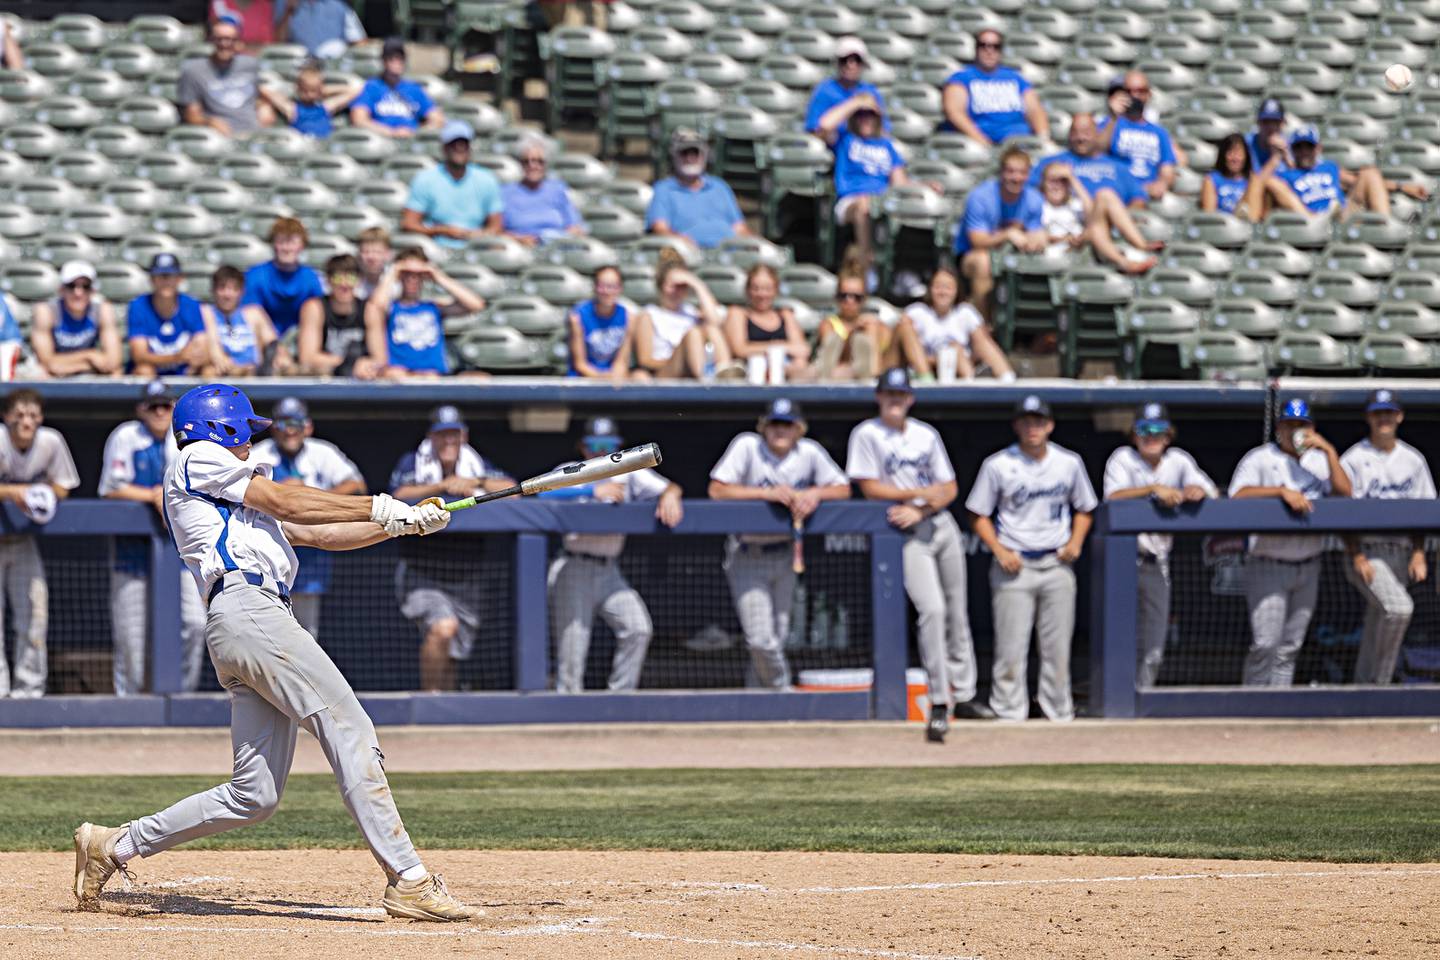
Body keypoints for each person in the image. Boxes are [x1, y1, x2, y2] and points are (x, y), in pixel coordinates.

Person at [72, 383, 481, 923]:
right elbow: (286, 498)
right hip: (248, 611)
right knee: (348, 726)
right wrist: (378, 503)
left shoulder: (236, 499)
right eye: (245, 430)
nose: (251, 441)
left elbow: (323, 532)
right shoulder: (198, 459)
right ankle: (408, 879)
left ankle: (114, 845)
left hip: (252, 620)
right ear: (223, 429)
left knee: (253, 795)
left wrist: (399, 524)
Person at [849, 369, 988, 742]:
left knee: (958, 612)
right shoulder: (867, 433)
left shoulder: (926, 433)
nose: (895, 399)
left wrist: (922, 505)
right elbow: (869, 486)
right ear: (879, 396)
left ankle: (966, 694)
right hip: (904, 531)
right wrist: (915, 498)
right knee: (933, 610)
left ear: (910, 398)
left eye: (901, 394)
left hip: (936, 523)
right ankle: (940, 701)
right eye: (889, 393)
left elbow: (949, 487)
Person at [966, 394, 1097, 722]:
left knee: (1057, 650)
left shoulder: (1069, 462)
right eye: (1026, 421)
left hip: (1056, 563)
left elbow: (1085, 508)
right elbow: (977, 513)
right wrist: (999, 550)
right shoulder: (998, 464)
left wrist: (1076, 542)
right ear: (1016, 426)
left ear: (1050, 425)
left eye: (1038, 421)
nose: (1032, 427)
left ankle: (1058, 713)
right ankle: (1009, 713)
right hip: (1015, 565)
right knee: (1011, 649)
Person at [711, 399, 851, 689]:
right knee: (761, 640)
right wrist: (766, 494)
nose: (780, 430)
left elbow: (843, 488)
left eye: (787, 424)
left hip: (786, 554)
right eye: (775, 424)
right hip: (748, 554)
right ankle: (782, 691)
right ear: (764, 426)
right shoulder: (747, 445)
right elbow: (718, 489)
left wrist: (815, 493)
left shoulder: (809, 451)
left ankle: (757, 705)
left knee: (776, 637)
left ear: (799, 429)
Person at [544, 418, 682, 693]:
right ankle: (567, 718)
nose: (601, 453)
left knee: (638, 628)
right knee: (572, 651)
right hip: (574, 567)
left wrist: (670, 495)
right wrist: (591, 490)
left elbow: (670, 487)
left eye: (608, 446)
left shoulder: (629, 472)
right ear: (584, 448)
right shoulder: (568, 470)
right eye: (595, 446)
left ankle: (619, 697)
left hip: (610, 571)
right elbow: (539, 496)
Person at [1229, 398, 1353, 687]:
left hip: (1309, 564)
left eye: (1302, 425)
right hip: (1269, 562)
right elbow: (1237, 495)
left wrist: (1330, 450)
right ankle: (1254, 706)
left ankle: (1277, 707)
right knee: (1265, 644)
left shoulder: (1320, 462)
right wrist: (1280, 491)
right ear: (1279, 429)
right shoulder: (1261, 458)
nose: (1295, 431)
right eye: (1290, 425)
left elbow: (1346, 494)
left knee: (1290, 647)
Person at [389, 405, 514, 692]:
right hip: (423, 571)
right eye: (442, 434)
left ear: (463, 436)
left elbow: (511, 487)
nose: (448, 441)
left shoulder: (476, 464)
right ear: (431, 437)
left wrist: (476, 482)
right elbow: (399, 494)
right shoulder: (414, 462)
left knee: (455, 651)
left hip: (466, 574)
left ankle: (443, 703)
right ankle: (431, 700)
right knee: (444, 628)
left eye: (453, 434)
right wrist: (442, 485)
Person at [98, 382, 207, 696]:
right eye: (153, 406)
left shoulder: (186, 440)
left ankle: (181, 696)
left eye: (165, 405)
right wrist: (151, 494)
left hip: (183, 555)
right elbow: (110, 488)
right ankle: (129, 704)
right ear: (141, 409)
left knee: (194, 625)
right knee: (131, 638)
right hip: (130, 554)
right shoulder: (126, 436)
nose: (160, 412)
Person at [1102, 402, 1218, 688]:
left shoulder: (1178, 460)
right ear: (1134, 434)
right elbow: (1112, 498)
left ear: (1168, 436)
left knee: (1154, 647)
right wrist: (1152, 490)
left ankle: (1143, 695)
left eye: (1158, 430)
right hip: (1124, 562)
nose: (1150, 436)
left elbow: (1211, 492)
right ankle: (1116, 702)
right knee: (1119, 639)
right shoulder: (1123, 458)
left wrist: (1196, 490)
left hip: (1157, 564)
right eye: (1144, 429)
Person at [251, 397, 366, 640]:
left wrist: (307, 495)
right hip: (267, 557)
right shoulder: (260, 454)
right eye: (283, 423)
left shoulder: (322, 452)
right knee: (267, 636)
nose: (290, 430)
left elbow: (357, 487)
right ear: (274, 427)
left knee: (305, 635)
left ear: (308, 426)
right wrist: (280, 493)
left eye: (296, 423)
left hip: (313, 556)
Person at [1340, 390, 1435, 686]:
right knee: (1398, 609)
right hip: (1368, 551)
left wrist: (1419, 552)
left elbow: (1425, 510)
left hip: (1401, 552)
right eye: (1378, 413)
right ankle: (1380, 684)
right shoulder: (1354, 458)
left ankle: (1362, 685)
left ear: (1399, 416)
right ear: (1369, 417)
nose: (1384, 418)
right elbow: (1342, 511)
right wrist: (1356, 555)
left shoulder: (1413, 459)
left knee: (1379, 618)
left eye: (1389, 413)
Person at [0, 389, 79, 699]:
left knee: (33, 615)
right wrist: (17, 492)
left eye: (32, 415)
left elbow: (64, 486)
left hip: (23, 541)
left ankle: (29, 690)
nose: (26, 421)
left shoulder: (50, 441)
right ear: (6, 417)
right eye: (18, 414)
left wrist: (40, 494)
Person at [1246, 98, 1425, 219]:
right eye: (1298, 147)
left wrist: (1402, 187)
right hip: (1307, 220)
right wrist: (1277, 158)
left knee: (1369, 172)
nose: (1303, 152)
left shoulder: (1328, 167)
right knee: (1272, 184)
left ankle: (1385, 227)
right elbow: (1258, 185)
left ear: (1318, 149)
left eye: (1308, 147)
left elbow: (1355, 180)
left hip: (1341, 215)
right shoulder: (1285, 174)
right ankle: (1314, 221)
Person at [817, 96, 918, 283]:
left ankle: (899, 273)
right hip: (850, 201)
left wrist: (926, 186)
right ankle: (866, 268)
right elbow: (823, 125)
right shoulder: (845, 140)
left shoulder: (886, 146)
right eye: (861, 115)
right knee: (864, 204)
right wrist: (856, 102)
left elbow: (900, 184)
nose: (865, 119)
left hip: (881, 203)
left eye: (870, 115)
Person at [954, 147, 1046, 319]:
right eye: (1010, 172)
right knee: (983, 261)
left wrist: (1037, 240)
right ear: (1001, 172)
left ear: (1028, 175)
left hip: (1013, 255)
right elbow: (977, 241)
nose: (1016, 178)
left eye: (1021, 173)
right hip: (970, 256)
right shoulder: (980, 196)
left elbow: (1036, 232)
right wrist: (1007, 234)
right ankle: (982, 323)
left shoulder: (1034, 199)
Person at [364, 247, 485, 379]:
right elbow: (374, 308)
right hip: (399, 375)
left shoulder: (434, 306)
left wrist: (438, 276)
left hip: (431, 376)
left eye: (417, 274)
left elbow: (476, 304)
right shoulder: (391, 307)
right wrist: (394, 272)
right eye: (407, 274)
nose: (412, 279)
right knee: (395, 375)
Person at [1039, 161, 1157, 275]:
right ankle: (1125, 263)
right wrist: (1064, 239)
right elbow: (1036, 235)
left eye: (1063, 181)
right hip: (1061, 249)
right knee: (1095, 230)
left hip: (1085, 244)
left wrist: (1072, 179)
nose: (1057, 185)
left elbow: (1091, 213)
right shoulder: (1039, 205)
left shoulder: (1074, 204)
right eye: (1052, 181)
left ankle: (1141, 244)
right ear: (1043, 184)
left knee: (1105, 194)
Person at [899, 265, 1014, 381]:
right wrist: (939, 359)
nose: (942, 292)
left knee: (968, 345)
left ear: (956, 290)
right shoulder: (917, 312)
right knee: (951, 352)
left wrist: (952, 356)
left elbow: (982, 343)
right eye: (938, 287)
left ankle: (1006, 377)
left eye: (948, 287)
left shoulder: (965, 312)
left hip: (961, 366)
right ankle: (926, 379)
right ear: (930, 289)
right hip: (925, 368)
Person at [401, 120, 504, 248]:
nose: (459, 148)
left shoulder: (487, 179)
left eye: (464, 144)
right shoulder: (425, 179)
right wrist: (441, 231)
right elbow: (409, 223)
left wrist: (481, 234)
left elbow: (496, 225)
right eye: (453, 144)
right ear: (444, 148)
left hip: (476, 248)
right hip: (436, 246)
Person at [633, 248, 733, 380]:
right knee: (693, 334)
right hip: (664, 372)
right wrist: (680, 357)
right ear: (661, 286)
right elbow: (645, 359)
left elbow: (715, 321)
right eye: (673, 286)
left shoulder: (691, 312)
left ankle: (724, 371)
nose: (677, 292)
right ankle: (704, 377)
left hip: (695, 366)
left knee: (710, 328)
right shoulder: (649, 314)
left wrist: (697, 284)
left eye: (682, 286)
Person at [941, 29, 1049, 146]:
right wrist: (983, 143)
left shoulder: (1015, 78)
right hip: (979, 143)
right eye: (983, 45)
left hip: (1018, 144)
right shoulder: (962, 79)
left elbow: (1035, 110)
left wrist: (1042, 139)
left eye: (995, 46)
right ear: (976, 49)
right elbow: (954, 112)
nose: (989, 51)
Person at [645, 128, 748, 249]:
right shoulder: (664, 189)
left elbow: (740, 228)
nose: (690, 158)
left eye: (695, 152)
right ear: (674, 156)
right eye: (684, 153)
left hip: (731, 255)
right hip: (690, 256)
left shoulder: (720, 187)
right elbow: (660, 229)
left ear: (704, 155)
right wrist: (681, 242)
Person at [178, 16, 272, 137]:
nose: (224, 44)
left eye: (230, 39)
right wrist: (209, 122)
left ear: (238, 42)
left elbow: (254, 97)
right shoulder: (193, 71)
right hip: (218, 136)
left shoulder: (250, 64)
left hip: (252, 134)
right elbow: (191, 115)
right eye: (219, 39)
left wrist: (265, 107)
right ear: (210, 40)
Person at [29, 261, 123, 378]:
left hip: (79, 368)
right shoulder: (47, 311)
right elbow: (47, 362)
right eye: (71, 286)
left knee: (116, 373)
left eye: (85, 287)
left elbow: (113, 361)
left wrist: (68, 365)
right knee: (41, 374)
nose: (78, 293)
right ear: (61, 289)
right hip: (57, 373)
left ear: (93, 291)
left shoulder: (102, 310)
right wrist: (89, 356)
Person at [812, 261, 900, 381]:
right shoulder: (829, 324)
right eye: (844, 296)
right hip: (842, 378)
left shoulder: (876, 325)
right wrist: (853, 332)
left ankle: (874, 379)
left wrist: (873, 329)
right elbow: (831, 357)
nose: (850, 301)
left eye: (856, 297)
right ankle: (872, 379)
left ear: (864, 299)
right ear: (836, 297)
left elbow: (892, 353)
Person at [299, 254, 383, 379]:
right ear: (328, 280)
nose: (344, 284)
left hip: (361, 378)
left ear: (359, 281)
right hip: (324, 378)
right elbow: (307, 357)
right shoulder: (315, 308)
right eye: (338, 278)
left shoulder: (369, 310)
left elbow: (380, 359)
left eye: (350, 278)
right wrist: (348, 363)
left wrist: (364, 366)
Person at [126, 254, 212, 378]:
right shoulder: (138, 306)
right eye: (161, 276)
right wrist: (177, 358)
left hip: (185, 370)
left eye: (170, 276)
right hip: (153, 372)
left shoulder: (191, 305)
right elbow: (139, 355)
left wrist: (195, 361)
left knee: (208, 370)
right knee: (144, 370)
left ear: (179, 279)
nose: (166, 281)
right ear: (152, 279)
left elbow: (203, 347)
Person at [723, 265, 813, 381]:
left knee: (801, 363)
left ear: (776, 290)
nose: (761, 294)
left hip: (784, 372)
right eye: (756, 288)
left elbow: (802, 349)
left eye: (767, 288)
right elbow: (740, 349)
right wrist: (779, 347)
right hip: (751, 373)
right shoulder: (738, 314)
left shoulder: (785, 315)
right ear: (747, 290)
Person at [241, 217, 326, 338]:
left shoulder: (310, 278)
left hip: (301, 339)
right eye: (281, 242)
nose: (286, 248)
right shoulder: (255, 276)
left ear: (301, 246)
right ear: (273, 244)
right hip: (263, 341)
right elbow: (248, 316)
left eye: (292, 242)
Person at [1102, 70, 1179, 201]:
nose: (1134, 96)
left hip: (1147, 195)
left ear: (1148, 94)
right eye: (1129, 91)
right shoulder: (1109, 124)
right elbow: (1095, 152)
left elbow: (1167, 169)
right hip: (1117, 191)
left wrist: (1162, 184)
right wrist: (1113, 117)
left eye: (1140, 91)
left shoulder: (1159, 132)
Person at [203, 265, 291, 377]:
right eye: (222, 288)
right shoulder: (207, 313)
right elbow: (215, 351)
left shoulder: (254, 314)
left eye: (234, 289)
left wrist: (281, 357)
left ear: (241, 292)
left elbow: (273, 344)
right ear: (213, 290)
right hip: (224, 374)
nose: (227, 295)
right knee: (209, 371)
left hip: (253, 374)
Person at [349, 36, 443, 138]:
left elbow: (437, 119)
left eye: (400, 57)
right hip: (381, 140)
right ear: (383, 60)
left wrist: (415, 133)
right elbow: (359, 119)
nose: (396, 62)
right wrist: (391, 132)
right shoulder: (372, 87)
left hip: (410, 142)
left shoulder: (414, 89)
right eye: (391, 58)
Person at [501, 134, 585, 245]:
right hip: (521, 248)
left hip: (556, 248)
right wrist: (519, 239)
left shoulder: (558, 190)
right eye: (527, 161)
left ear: (546, 164)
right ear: (520, 164)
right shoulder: (505, 193)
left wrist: (564, 237)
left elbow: (575, 227)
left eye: (539, 161)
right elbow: (497, 231)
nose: (533, 166)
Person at [567, 265, 644, 381]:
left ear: (620, 288)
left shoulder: (629, 318)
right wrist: (603, 378)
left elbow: (622, 362)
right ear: (595, 287)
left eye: (613, 286)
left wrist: (614, 377)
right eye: (602, 286)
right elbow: (580, 364)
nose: (607, 291)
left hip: (614, 377)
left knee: (641, 377)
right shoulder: (578, 316)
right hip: (584, 378)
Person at [804, 36, 890, 136]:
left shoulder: (871, 91)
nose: (850, 65)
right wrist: (856, 103)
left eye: (856, 60)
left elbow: (882, 132)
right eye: (845, 60)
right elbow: (817, 130)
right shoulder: (825, 90)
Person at [258, 63, 363, 140]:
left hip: (323, 145)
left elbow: (355, 90)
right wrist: (290, 90)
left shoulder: (326, 107)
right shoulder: (292, 109)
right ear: (298, 89)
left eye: (313, 91)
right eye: (305, 91)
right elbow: (264, 90)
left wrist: (325, 91)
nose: (309, 95)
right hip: (302, 148)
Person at [1201, 133, 1270, 221]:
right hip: (1224, 226)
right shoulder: (1212, 179)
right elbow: (1209, 215)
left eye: (1239, 153)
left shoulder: (1252, 181)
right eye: (1230, 153)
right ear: (1223, 155)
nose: (1235, 158)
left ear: (1246, 156)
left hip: (1249, 223)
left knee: (1258, 182)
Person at [276, 0, 366, 59]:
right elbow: (279, 41)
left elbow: (359, 41)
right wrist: (288, 12)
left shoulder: (341, 7)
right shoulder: (287, 6)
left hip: (332, 68)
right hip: (300, 69)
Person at [210, 0, 275, 48]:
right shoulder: (219, 3)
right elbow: (218, 41)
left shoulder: (264, 6)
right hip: (226, 62)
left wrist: (240, 46)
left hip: (256, 61)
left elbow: (266, 44)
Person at [356, 227, 395, 301]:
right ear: (359, 255)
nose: (371, 257)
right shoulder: (351, 284)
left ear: (388, 254)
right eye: (366, 252)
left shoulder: (397, 283)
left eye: (377, 252)